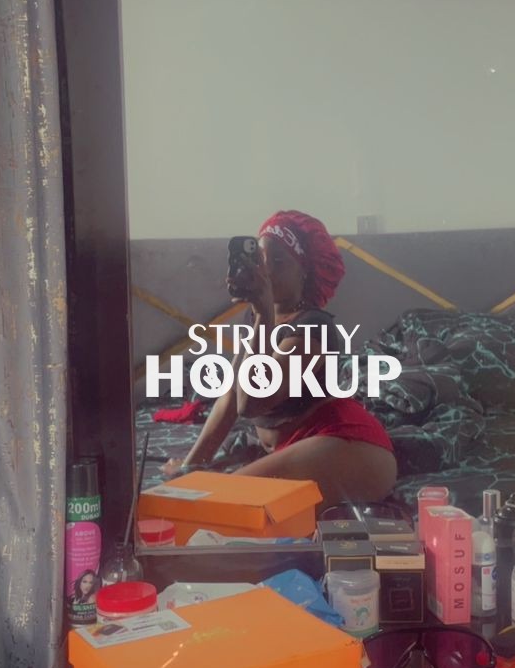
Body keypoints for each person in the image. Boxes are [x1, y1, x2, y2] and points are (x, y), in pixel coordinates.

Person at [164, 210, 398, 511]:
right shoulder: (259, 318)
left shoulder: (314, 327)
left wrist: (263, 313)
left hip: (348, 446)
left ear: (304, 271)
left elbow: (251, 403)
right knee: (198, 501)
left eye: (278, 261)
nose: (267, 271)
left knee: (219, 506)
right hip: (296, 448)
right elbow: (231, 395)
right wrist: (191, 466)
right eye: (261, 260)